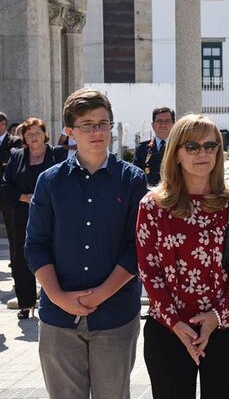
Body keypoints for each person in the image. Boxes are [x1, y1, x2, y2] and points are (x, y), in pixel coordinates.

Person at [25, 88, 148, 399]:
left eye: (103, 124)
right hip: (58, 317)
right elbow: (36, 244)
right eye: (88, 124)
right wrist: (59, 297)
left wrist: (101, 294)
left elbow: (137, 247)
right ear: (70, 131)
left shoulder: (132, 180)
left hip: (115, 316)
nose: (97, 132)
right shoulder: (50, 181)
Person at [137, 114, 229, 399]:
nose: (202, 153)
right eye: (192, 147)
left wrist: (216, 316)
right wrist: (175, 322)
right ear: (176, 154)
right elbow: (148, 271)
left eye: (210, 145)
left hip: (227, 328)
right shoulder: (152, 206)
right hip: (168, 330)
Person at [2, 118, 66, 319]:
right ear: (23, 137)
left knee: (55, 256)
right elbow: (5, 185)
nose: (34, 137)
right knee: (20, 259)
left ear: (45, 134)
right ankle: (26, 303)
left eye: (37, 132)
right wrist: (23, 197)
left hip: (53, 215)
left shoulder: (58, 154)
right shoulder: (16, 156)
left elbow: (66, 181)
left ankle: (54, 299)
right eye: (29, 134)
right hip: (22, 215)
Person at [0, 112, 23, 264]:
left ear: (3, 123)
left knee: (12, 230)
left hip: (6, 192)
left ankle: (15, 262)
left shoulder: (15, 141)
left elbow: (12, 158)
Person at [134, 107, 175, 186]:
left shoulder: (179, 147)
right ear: (153, 125)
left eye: (167, 121)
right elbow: (136, 176)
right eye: (159, 121)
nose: (163, 125)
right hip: (149, 192)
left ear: (173, 124)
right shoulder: (142, 149)